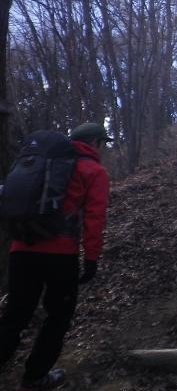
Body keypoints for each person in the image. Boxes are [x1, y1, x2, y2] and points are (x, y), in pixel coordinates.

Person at [0, 123, 111, 391]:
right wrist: (92, 258)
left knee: (15, 315)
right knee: (58, 316)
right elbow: (94, 218)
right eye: (102, 143)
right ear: (93, 143)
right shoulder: (93, 171)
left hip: (21, 249)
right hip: (60, 255)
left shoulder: (42, 163)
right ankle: (35, 377)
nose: (103, 149)